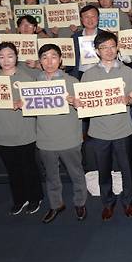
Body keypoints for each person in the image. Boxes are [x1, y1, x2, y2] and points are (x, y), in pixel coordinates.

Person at [77, 32, 132, 221]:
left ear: (117, 47)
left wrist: (129, 99)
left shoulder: (128, 72)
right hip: (99, 130)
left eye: (112, 46)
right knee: (103, 170)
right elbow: (84, 101)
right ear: (96, 51)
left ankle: (128, 200)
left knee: (127, 169)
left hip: (122, 129)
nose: (109, 51)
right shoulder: (88, 74)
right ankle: (108, 203)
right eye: (104, 47)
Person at [0, 42, 42, 215]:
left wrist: (24, 103)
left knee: (29, 167)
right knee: (12, 169)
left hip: (24, 131)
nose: (6, 60)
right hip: (1, 132)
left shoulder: (27, 78)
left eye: (10, 56)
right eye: (1, 57)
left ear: (16, 57)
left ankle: (35, 197)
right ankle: (20, 199)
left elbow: (37, 104)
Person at [35, 43, 87, 223]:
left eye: (53, 57)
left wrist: (76, 101)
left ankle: (80, 202)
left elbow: (85, 107)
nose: (49, 62)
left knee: (76, 173)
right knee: (51, 176)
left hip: (69, 137)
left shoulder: (72, 82)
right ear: (40, 61)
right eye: (44, 58)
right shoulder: (34, 84)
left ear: (60, 60)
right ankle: (56, 204)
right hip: (45, 138)